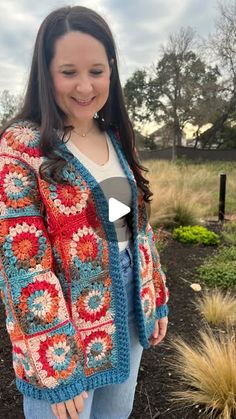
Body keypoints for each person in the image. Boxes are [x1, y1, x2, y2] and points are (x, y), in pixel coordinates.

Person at [0, 5, 169, 419]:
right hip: (59, 327)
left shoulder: (111, 135)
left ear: (111, 70)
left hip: (127, 306)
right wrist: (55, 367)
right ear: (46, 71)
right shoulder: (22, 145)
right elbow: (21, 265)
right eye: (68, 71)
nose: (84, 86)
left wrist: (156, 294)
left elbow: (132, 227)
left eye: (96, 70)